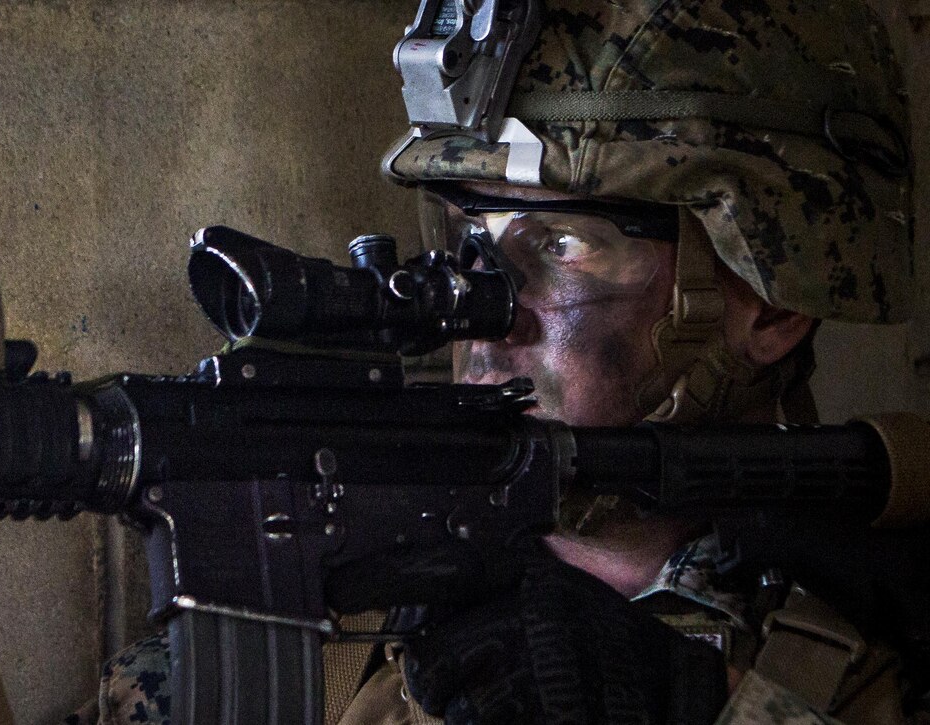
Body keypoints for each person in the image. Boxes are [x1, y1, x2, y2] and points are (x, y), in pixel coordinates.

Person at [74, 0, 926, 722]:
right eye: (465, 236)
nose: (482, 304)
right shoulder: (320, 645)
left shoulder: (879, 666)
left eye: (563, 243)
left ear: (771, 302)